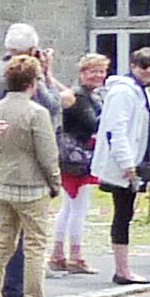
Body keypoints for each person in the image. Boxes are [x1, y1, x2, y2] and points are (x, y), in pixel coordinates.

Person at [0, 54, 66, 297]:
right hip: (31, 185)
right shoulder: (36, 113)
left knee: (3, 239)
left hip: (2, 182)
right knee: (35, 243)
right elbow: (47, 154)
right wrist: (55, 183)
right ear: (33, 82)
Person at [94, 46, 150, 285]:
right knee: (122, 212)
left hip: (136, 159)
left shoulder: (142, 92)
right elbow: (116, 129)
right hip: (124, 163)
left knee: (126, 212)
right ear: (133, 66)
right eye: (144, 66)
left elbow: (144, 125)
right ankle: (122, 270)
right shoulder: (124, 92)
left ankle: (123, 268)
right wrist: (127, 162)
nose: (149, 71)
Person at [50, 52, 106, 274]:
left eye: (101, 71)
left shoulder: (84, 95)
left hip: (77, 157)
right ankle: (74, 255)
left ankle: (60, 254)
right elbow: (93, 124)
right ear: (82, 73)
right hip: (77, 159)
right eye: (93, 71)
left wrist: (49, 74)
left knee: (70, 207)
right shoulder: (80, 97)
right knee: (77, 208)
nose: (98, 75)